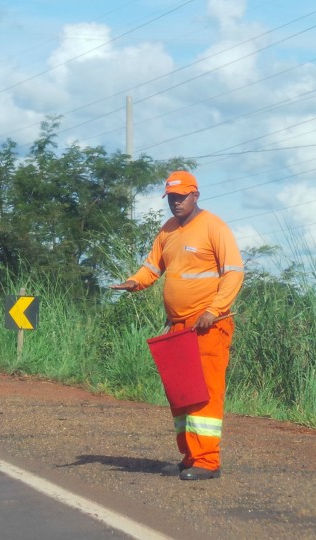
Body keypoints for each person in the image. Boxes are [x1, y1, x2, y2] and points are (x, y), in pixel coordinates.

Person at [110, 170, 244, 481]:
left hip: (208, 326)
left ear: (196, 195)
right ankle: (189, 457)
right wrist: (133, 282)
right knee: (182, 393)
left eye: (181, 196)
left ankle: (207, 462)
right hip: (178, 328)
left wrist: (214, 309)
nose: (176, 202)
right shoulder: (168, 230)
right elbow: (151, 267)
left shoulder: (214, 226)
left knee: (205, 394)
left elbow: (234, 272)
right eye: (171, 197)